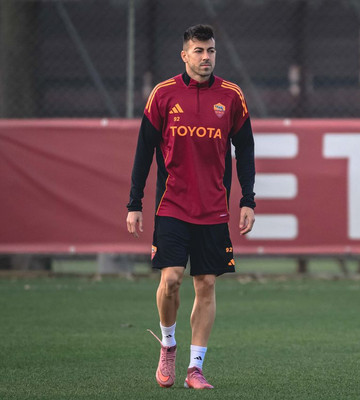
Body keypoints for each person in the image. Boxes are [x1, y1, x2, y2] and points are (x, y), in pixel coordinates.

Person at [126, 24, 256, 390]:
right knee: (170, 280)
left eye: (210, 50)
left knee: (206, 283)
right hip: (172, 204)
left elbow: (245, 149)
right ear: (184, 55)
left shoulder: (231, 96)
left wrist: (247, 199)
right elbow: (143, 150)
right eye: (198, 51)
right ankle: (168, 344)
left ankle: (195, 369)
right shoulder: (163, 94)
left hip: (213, 207)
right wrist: (134, 202)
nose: (205, 57)